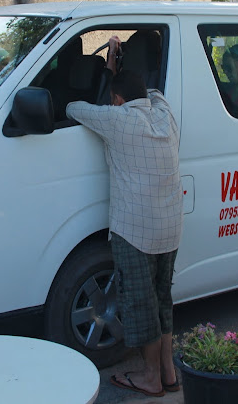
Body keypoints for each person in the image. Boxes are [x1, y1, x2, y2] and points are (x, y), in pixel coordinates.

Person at [66, 36, 183, 398]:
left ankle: (150, 377)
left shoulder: (116, 120)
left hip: (135, 232)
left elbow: (73, 107)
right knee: (162, 299)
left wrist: (109, 69)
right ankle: (168, 373)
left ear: (117, 100)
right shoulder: (164, 115)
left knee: (140, 303)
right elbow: (153, 92)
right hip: (170, 229)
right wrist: (121, 69)